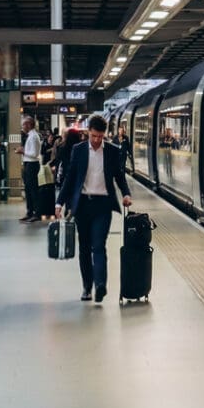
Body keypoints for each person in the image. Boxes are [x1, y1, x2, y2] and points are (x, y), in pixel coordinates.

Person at [56, 114, 132, 303]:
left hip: (103, 205)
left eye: (100, 136)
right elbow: (70, 177)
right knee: (84, 248)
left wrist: (126, 193)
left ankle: (100, 285)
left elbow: (119, 176)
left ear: (104, 134)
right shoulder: (79, 150)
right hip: (82, 205)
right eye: (93, 136)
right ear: (88, 133)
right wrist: (59, 202)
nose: (97, 140)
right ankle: (86, 287)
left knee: (99, 245)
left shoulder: (112, 151)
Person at [15, 116, 41, 223]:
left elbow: (35, 154)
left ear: (29, 125)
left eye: (23, 125)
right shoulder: (30, 136)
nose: (22, 127)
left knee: (33, 190)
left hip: (32, 164)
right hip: (28, 164)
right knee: (28, 190)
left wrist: (23, 151)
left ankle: (36, 213)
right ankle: (30, 211)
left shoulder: (34, 137)